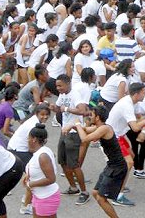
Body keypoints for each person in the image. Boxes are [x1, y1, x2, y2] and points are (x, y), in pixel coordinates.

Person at [75, 106, 127, 218]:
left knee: (101, 198)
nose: (90, 117)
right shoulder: (99, 127)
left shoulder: (105, 129)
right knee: (95, 193)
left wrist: (78, 124)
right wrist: (72, 126)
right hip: (111, 166)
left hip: (117, 168)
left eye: (92, 115)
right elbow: (85, 130)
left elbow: (84, 139)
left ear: (97, 117)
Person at [105, 82, 145, 206]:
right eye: (143, 92)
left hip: (118, 134)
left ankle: (115, 184)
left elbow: (137, 116)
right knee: (128, 163)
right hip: (113, 137)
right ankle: (117, 195)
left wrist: (143, 120)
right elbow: (135, 127)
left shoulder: (132, 101)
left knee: (130, 156)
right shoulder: (127, 104)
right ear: (136, 94)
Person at [50, 74, 90, 205]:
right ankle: (73, 187)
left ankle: (84, 192)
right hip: (64, 131)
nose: (58, 88)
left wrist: (65, 108)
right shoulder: (62, 95)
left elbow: (83, 111)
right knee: (62, 161)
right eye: (57, 85)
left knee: (74, 165)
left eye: (60, 85)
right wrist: (53, 108)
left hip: (74, 132)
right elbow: (59, 108)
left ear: (68, 83)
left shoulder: (75, 95)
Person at [25, 123, 61, 218]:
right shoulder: (41, 151)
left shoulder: (42, 156)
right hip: (39, 195)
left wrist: (31, 184)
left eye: (28, 138)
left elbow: (51, 179)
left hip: (46, 197)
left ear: (34, 139)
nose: (27, 140)